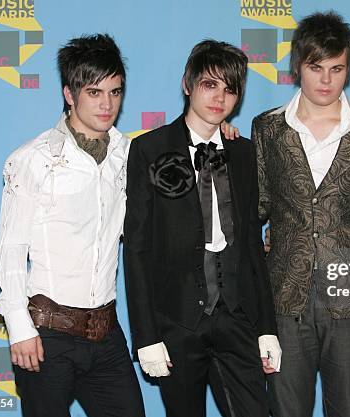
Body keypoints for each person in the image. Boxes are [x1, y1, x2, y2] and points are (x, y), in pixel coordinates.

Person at [250, 11, 350, 417]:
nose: (325, 80)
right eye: (315, 67)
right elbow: (257, 207)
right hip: (285, 299)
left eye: (336, 69)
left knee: (349, 410)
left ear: (348, 70)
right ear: (297, 66)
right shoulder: (267, 130)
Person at [123, 39, 281, 417]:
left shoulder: (243, 153)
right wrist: (147, 337)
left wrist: (266, 327)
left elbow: (251, 244)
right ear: (187, 84)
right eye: (210, 85)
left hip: (237, 317)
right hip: (177, 322)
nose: (219, 98)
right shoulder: (149, 148)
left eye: (229, 89)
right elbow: (137, 249)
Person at [0, 34, 145, 417]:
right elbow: (10, 248)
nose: (107, 103)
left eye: (115, 91)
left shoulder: (131, 156)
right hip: (46, 334)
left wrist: (220, 131)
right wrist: (18, 326)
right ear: (69, 93)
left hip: (107, 334)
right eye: (94, 92)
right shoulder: (32, 159)